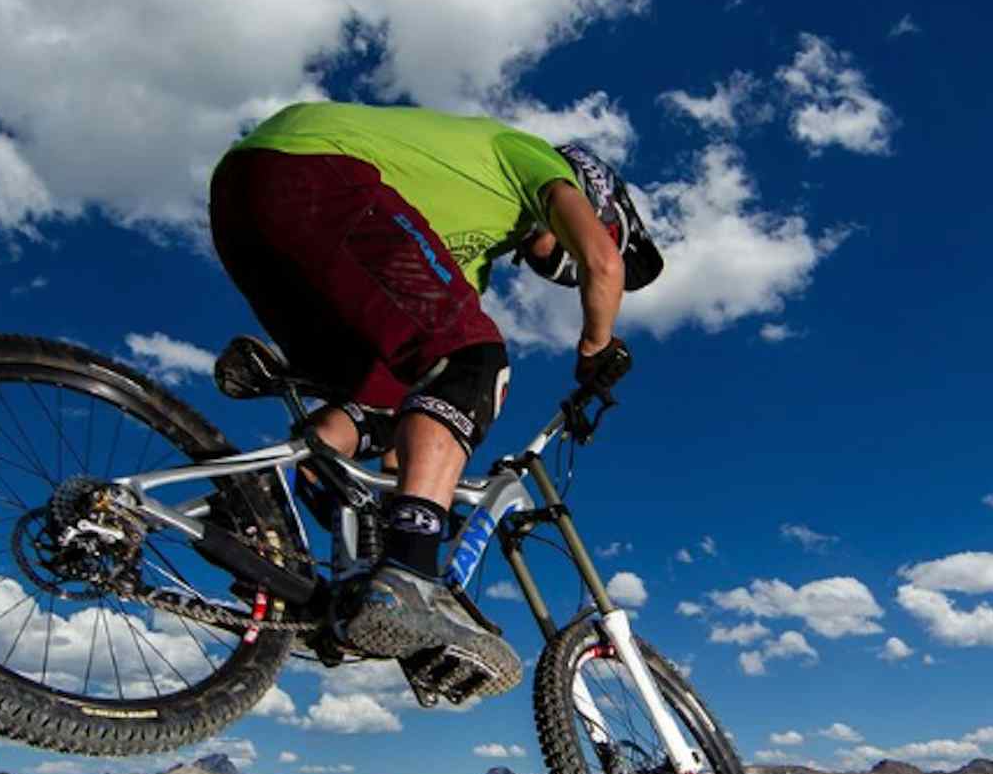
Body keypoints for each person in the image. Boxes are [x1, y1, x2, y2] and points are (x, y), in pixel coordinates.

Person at [208, 102, 663, 699]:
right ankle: (407, 578)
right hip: (313, 172)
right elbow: (605, 264)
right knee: (474, 362)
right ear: (596, 198)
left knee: (391, 395)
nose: (552, 266)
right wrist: (595, 349)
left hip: (246, 211)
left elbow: (415, 421)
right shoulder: (534, 158)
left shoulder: (466, 255)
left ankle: (252, 506)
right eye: (556, 258)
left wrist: (409, 505)